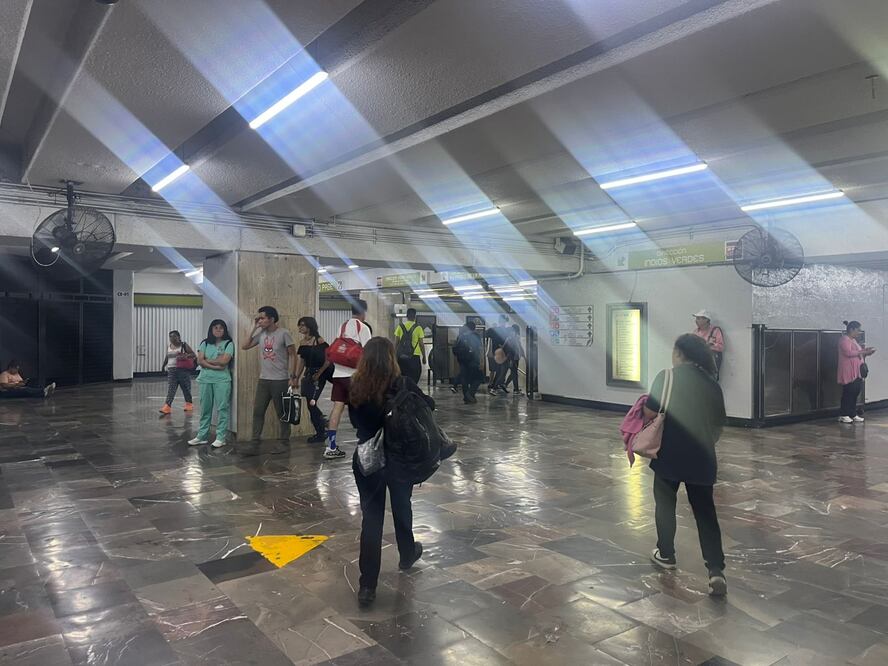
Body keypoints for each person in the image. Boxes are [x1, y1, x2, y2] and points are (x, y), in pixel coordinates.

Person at [644, 334, 728, 597]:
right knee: (705, 513)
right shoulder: (712, 384)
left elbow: (649, 413)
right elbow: (719, 424)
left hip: (669, 454)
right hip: (702, 457)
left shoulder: (667, 377)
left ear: (680, 353)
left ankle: (666, 554)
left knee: (665, 505)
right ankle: (715, 569)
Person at [348, 337, 428, 606]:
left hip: (368, 459)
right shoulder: (402, 384)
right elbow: (428, 406)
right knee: (402, 505)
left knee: (371, 519)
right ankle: (407, 553)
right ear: (392, 358)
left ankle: (367, 586)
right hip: (398, 459)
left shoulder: (356, 386)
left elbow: (356, 422)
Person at [239, 306, 297, 456]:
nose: (260, 320)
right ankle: (254, 444)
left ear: (272, 319)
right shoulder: (261, 334)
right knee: (258, 411)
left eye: (262, 318)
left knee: (282, 413)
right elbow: (244, 346)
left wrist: (293, 376)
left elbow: (292, 355)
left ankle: (284, 442)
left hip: (280, 380)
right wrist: (253, 327)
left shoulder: (284, 333)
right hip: (264, 380)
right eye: (259, 318)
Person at [326, 299, 372, 460]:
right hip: (355, 376)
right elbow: (368, 353)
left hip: (338, 374)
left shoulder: (342, 326)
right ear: (363, 312)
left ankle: (331, 446)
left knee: (337, 408)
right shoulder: (363, 328)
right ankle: (367, 445)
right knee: (363, 409)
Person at [190, 319, 234, 448]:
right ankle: (202, 436)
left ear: (225, 330)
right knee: (205, 409)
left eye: (221, 328)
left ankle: (221, 437)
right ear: (211, 330)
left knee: (222, 408)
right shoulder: (205, 343)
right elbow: (199, 360)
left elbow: (224, 361)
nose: (218, 330)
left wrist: (208, 361)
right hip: (205, 379)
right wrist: (215, 365)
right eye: (215, 327)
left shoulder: (229, 344)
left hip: (222, 381)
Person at [293, 316, 331, 443]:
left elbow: (328, 359)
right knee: (310, 404)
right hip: (309, 374)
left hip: (320, 374)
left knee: (312, 402)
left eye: (302, 325)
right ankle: (321, 428)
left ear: (309, 326)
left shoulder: (319, 340)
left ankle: (322, 427)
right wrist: (296, 377)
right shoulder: (302, 343)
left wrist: (319, 373)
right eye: (299, 325)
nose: (300, 327)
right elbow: (302, 361)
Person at [837, 320, 876, 424]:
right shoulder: (844, 340)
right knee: (848, 392)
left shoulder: (853, 341)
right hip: (848, 371)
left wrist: (866, 352)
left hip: (857, 371)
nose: (859, 332)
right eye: (858, 330)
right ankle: (843, 414)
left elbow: (858, 353)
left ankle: (852, 413)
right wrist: (863, 351)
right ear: (851, 329)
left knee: (855, 392)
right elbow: (848, 353)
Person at [159, 330, 195, 414]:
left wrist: (185, 355)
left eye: (174, 336)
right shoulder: (169, 346)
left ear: (178, 337)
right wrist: (163, 366)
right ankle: (167, 406)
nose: (172, 338)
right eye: (170, 336)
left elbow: (193, 354)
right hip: (171, 371)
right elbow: (167, 357)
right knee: (171, 389)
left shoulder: (183, 345)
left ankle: (189, 404)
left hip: (183, 370)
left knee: (185, 387)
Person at [453, 321, 484, 403]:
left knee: (464, 379)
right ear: (474, 328)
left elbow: (456, 349)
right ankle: (470, 394)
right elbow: (480, 349)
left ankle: (467, 398)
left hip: (462, 361)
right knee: (479, 378)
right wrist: (482, 362)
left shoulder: (460, 336)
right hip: (473, 360)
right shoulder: (476, 336)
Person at [394, 308, 426, 383]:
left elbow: (396, 343)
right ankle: (411, 393)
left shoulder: (400, 327)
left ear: (406, 316)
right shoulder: (418, 328)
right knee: (414, 378)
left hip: (401, 357)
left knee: (402, 378)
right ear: (415, 316)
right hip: (414, 357)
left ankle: (404, 392)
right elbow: (421, 344)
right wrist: (424, 357)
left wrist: (394, 355)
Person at [691, 310, 724, 381]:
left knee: (710, 384)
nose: (696, 321)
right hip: (697, 364)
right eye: (696, 318)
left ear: (706, 320)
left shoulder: (715, 331)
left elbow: (721, 347)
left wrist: (709, 345)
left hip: (710, 364)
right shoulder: (695, 332)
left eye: (698, 318)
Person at [486, 314, 510, 395]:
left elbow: (486, 334)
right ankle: (494, 387)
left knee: (500, 371)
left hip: (497, 352)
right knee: (500, 371)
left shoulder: (493, 330)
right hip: (500, 353)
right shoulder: (505, 331)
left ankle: (495, 386)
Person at [503, 324, 525, 396]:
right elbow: (512, 349)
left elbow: (519, 347)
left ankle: (505, 385)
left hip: (515, 358)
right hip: (513, 358)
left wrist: (523, 355)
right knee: (514, 374)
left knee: (513, 373)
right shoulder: (512, 338)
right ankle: (516, 390)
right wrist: (512, 359)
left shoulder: (514, 337)